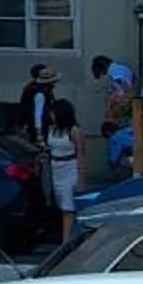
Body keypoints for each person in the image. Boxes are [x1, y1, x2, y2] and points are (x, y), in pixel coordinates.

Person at [43, 99, 84, 242]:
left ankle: (65, 241)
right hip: (56, 167)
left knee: (68, 206)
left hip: (70, 168)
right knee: (61, 203)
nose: (51, 115)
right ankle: (72, 235)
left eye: (53, 112)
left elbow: (81, 154)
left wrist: (80, 178)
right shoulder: (51, 129)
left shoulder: (74, 131)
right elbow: (51, 147)